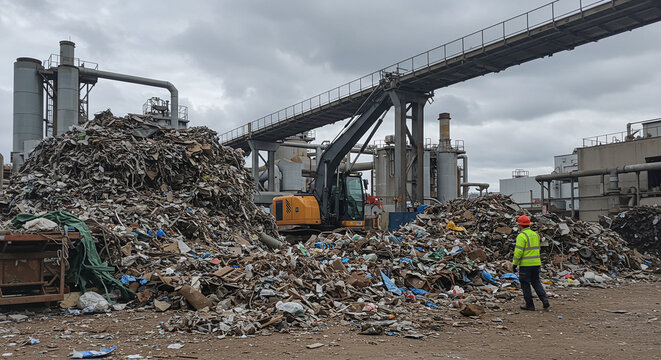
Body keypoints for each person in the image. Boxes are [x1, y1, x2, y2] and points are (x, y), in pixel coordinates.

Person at [512, 215, 550, 311]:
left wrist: (515, 263)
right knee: (536, 281)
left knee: (525, 283)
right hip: (536, 263)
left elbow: (518, 252)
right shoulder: (535, 235)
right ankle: (544, 299)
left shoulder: (521, 236)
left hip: (526, 264)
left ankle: (530, 305)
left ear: (520, 225)